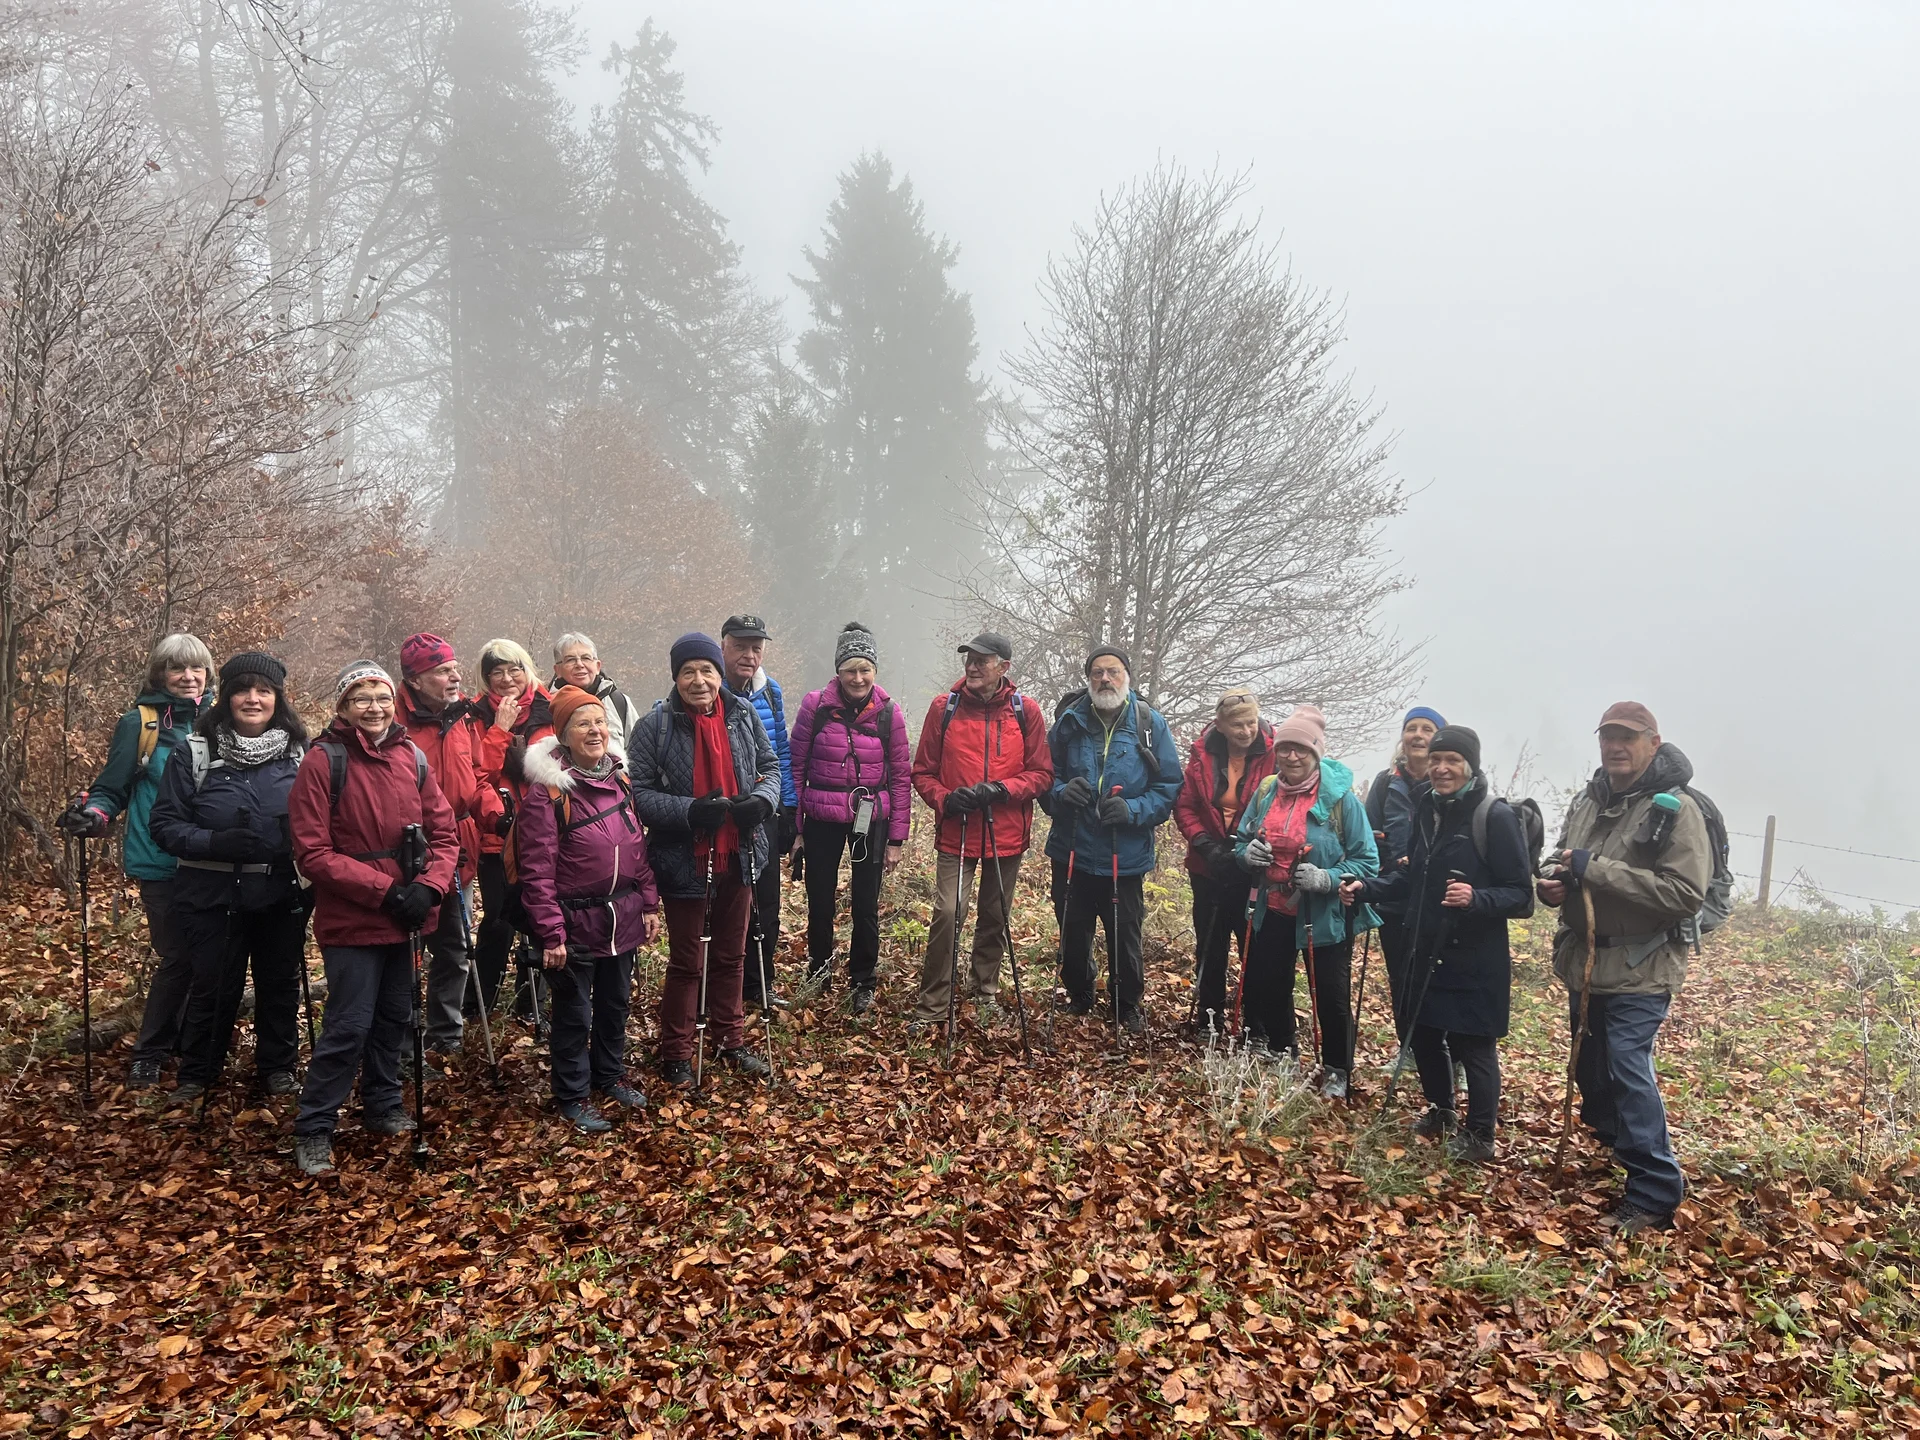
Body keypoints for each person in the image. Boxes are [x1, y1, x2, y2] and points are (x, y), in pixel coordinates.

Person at [1536, 702, 1710, 1234]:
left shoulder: (1678, 811)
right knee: (1592, 1068)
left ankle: (1656, 1191)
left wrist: (1598, 869)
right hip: (1587, 960)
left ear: (1653, 743)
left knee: (1627, 1070)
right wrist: (1556, 886)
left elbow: (1685, 894)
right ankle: (1620, 1143)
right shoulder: (1589, 800)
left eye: (1628, 738)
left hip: (1642, 965)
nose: (1615, 746)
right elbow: (1568, 863)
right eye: (1608, 737)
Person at [287, 662, 459, 1175]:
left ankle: (383, 1105)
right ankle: (314, 1126)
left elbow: (445, 835)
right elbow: (312, 853)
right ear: (343, 707)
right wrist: (386, 892)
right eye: (361, 698)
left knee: (397, 1017)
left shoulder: (412, 757)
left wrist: (429, 888)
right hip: (354, 918)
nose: (374, 708)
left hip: (409, 913)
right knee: (347, 1024)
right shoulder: (323, 761)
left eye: (381, 697)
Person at [1342, 725, 1531, 1161]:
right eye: (1437, 760)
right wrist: (1367, 887)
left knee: (1473, 1043)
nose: (1442, 768)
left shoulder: (1494, 816)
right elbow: (1414, 874)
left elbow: (1522, 895)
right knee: (1421, 1033)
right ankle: (1441, 1110)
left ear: (1470, 766)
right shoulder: (1425, 807)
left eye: (1453, 761)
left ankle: (1481, 1134)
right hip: (1423, 944)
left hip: (1473, 952)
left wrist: (1476, 898)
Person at [148, 652, 309, 1106]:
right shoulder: (195, 752)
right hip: (210, 893)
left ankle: (278, 1069)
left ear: (279, 698)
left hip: (281, 891)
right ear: (227, 696)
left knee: (280, 983)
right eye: (243, 690)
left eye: (264, 691)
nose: (253, 699)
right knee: (214, 985)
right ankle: (198, 1073)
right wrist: (213, 842)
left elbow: (326, 820)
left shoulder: (302, 754)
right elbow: (163, 825)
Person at [56, 633, 214, 1089]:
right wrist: (94, 814)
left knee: (209, 958)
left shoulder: (220, 721)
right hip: (159, 859)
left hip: (212, 859)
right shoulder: (140, 724)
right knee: (178, 956)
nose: (188, 677)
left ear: (207, 673)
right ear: (159, 675)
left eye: (196, 668)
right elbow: (112, 788)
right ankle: (150, 1053)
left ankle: (192, 1043)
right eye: (176, 669)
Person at [627, 633, 779, 1086]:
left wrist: (763, 802)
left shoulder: (744, 715)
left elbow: (771, 767)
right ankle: (675, 1050)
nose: (699, 680)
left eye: (707, 671)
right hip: (681, 856)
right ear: (676, 676)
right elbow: (638, 795)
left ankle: (730, 1039)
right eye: (688, 671)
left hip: (742, 850)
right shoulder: (654, 726)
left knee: (732, 954)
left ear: (719, 674)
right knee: (687, 959)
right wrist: (690, 810)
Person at [516, 685, 662, 1131]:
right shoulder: (549, 794)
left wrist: (650, 903)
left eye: (599, 721)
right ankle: (572, 1093)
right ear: (563, 734)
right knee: (574, 1012)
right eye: (583, 723)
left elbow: (638, 849)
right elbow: (536, 871)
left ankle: (609, 1074)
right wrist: (551, 934)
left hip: (623, 915)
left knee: (615, 1003)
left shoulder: (621, 779)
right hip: (574, 921)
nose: (595, 730)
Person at [907, 633, 1053, 1036]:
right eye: (969, 659)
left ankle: (984, 989)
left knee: (995, 915)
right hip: (958, 831)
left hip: (1006, 834)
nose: (972, 666)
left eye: (981, 661)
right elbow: (921, 771)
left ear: (1003, 667)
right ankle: (934, 1002)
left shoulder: (1027, 711)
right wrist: (945, 799)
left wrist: (1003, 790)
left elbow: (1042, 774)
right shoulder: (945, 708)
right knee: (948, 912)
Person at [1230, 704, 1378, 1096]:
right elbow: (1242, 839)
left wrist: (1327, 878)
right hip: (1273, 908)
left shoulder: (1342, 801)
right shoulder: (1266, 791)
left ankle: (1336, 1069)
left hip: (1324, 914)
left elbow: (1367, 862)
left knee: (1330, 995)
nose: (1291, 756)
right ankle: (1284, 1050)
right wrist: (1248, 855)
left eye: (1302, 750)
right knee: (1268, 985)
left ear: (1317, 754)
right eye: (1284, 748)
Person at [1046, 645, 1181, 1034]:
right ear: (1088, 680)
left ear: (1127, 677)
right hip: (1071, 847)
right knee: (1072, 927)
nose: (1105, 679)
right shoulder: (1068, 723)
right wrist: (1060, 794)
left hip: (1125, 853)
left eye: (1113, 672)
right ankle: (1080, 994)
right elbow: (1045, 776)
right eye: (1097, 673)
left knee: (1124, 935)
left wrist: (1133, 810)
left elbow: (1169, 785)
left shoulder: (1149, 724)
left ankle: (1127, 1006)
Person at [787, 622, 911, 1015]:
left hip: (869, 819)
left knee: (865, 905)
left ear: (875, 670)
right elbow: (795, 765)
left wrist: (896, 839)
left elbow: (902, 776)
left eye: (864, 670)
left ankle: (863, 981)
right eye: (849, 670)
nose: (857, 678)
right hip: (822, 817)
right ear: (837, 670)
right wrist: (797, 828)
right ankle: (819, 969)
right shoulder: (815, 706)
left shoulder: (890, 713)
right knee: (819, 899)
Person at [395, 634, 502, 1064]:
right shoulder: (392, 722)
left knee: (455, 946)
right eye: (442, 670)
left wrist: (497, 811)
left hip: (459, 845)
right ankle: (400, 1041)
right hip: (405, 850)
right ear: (415, 679)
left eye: (454, 666)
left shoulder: (464, 719)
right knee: (405, 949)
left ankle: (447, 1035)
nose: (455, 675)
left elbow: (475, 776)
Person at [1173, 690, 1276, 1037]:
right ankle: (1209, 1018)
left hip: (1256, 868)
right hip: (1208, 865)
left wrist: (1251, 848)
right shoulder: (1202, 753)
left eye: (1251, 722)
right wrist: (1204, 845)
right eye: (1237, 725)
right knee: (1210, 944)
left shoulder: (1275, 754)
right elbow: (1185, 805)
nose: (1247, 731)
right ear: (1220, 725)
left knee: (1255, 947)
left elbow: (1283, 803)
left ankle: (1256, 1025)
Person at [470, 638, 554, 1019]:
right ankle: (478, 1006)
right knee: (498, 922)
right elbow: (474, 776)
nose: (506, 679)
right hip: (495, 835)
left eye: (514, 669)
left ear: (527, 669)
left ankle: (530, 1005)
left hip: (546, 834)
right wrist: (500, 730)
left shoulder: (550, 710)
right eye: (496, 672)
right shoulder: (472, 716)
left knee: (541, 917)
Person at [720, 615, 796, 1013]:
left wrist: (788, 807)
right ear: (724, 646)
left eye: (756, 647)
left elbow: (780, 751)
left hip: (764, 809)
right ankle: (723, 987)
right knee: (726, 902)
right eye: (740, 646)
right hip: (721, 813)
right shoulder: (704, 688)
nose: (749, 655)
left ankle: (760, 984)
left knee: (766, 901)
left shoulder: (770, 693)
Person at [1364, 706, 1445, 1055]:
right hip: (1394, 893)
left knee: (1436, 977)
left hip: (1436, 897)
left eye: (1427, 728)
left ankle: (1444, 1052)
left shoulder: (1448, 782)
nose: (1417, 734)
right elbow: (1366, 835)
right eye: (1411, 727)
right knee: (1400, 976)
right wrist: (1384, 866)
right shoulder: (1385, 782)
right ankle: (1408, 1051)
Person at [551, 633, 643, 755]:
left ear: (598, 666)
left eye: (586, 658)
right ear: (558, 670)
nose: (579, 664)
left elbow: (639, 750)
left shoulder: (619, 701)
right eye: (570, 660)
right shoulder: (547, 707)